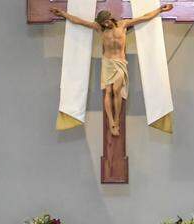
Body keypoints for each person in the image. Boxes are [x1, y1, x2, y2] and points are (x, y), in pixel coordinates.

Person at [51, 4, 173, 136]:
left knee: (117, 90)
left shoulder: (123, 24)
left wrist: (160, 9)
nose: (106, 25)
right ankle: (111, 121)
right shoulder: (100, 29)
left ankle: (116, 119)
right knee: (108, 91)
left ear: (110, 18)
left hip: (120, 62)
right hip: (107, 63)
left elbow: (144, 18)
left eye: (106, 22)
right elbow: (79, 21)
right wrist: (63, 14)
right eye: (103, 23)